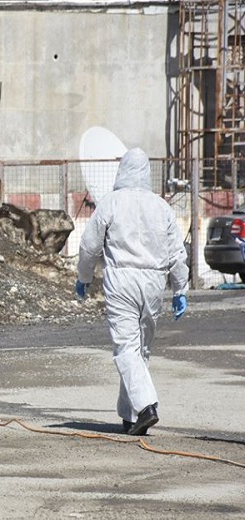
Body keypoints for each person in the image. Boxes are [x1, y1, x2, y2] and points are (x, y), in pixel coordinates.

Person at [75, 147, 189, 436]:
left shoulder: (111, 203)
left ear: (121, 170)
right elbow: (176, 252)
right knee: (141, 349)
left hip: (122, 281)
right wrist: (179, 289)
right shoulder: (161, 206)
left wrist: (84, 277)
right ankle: (131, 415)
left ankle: (147, 405)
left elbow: (90, 246)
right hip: (153, 282)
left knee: (126, 348)